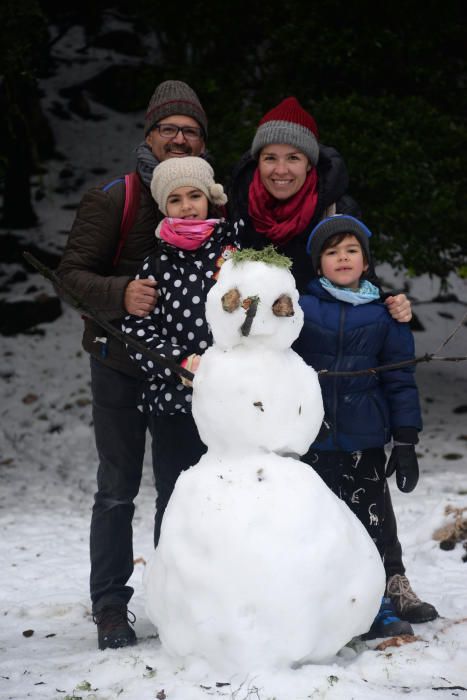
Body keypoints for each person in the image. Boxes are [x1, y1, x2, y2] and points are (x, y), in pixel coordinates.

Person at [228, 96, 438, 624]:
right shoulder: (234, 208)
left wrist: (391, 305)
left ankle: (390, 584)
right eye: (270, 158)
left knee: (373, 508)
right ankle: (322, 598)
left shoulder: (336, 214)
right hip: (307, 420)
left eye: (293, 158)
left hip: (363, 427)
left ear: (310, 164)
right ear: (257, 163)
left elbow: (394, 367)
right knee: (314, 514)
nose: (281, 169)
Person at [55, 80, 209, 650]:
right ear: (149, 135)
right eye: (168, 128)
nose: (178, 137)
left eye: (190, 131)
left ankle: (181, 598)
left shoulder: (208, 198)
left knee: (181, 490)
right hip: (117, 364)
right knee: (118, 490)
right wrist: (121, 293)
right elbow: (70, 274)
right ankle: (111, 605)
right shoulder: (114, 198)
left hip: (184, 373)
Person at [295, 214, 424, 638]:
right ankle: (330, 602)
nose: (343, 258)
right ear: (318, 266)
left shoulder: (385, 313)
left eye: (352, 250)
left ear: (366, 261)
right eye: (332, 253)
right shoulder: (300, 307)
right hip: (311, 437)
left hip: (364, 436)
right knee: (322, 525)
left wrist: (405, 439)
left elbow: (400, 378)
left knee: (373, 520)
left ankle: (387, 597)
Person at [121, 156, 241, 545]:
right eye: (176, 199)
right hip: (173, 402)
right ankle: (175, 591)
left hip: (232, 402)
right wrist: (177, 362)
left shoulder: (236, 257)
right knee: (176, 498)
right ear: (163, 207)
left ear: (210, 199)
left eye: (194, 196)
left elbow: (263, 316)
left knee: (232, 498)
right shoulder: (155, 264)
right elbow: (136, 327)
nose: (187, 206)